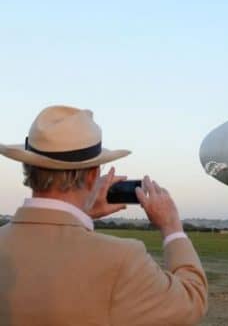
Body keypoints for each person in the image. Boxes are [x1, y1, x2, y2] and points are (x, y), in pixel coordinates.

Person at [0, 105, 208, 325]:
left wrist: (80, 215)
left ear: (28, 168)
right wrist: (172, 227)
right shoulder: (121, 258)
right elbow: (191, 300)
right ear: (93, 175)